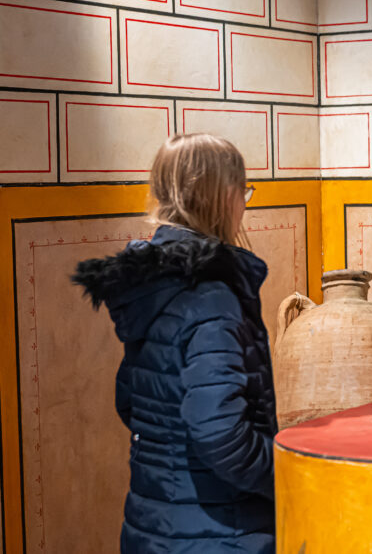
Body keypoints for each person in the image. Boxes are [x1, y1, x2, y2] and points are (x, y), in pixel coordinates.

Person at [72, 134, 276, 553]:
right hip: (221, 532)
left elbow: (130, 401)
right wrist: (286, 474)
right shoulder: (210, 296)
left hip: (152, 521)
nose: (243, 205)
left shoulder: (152, 283)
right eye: (243, 191)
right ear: (220, 196)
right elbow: (222, 436)